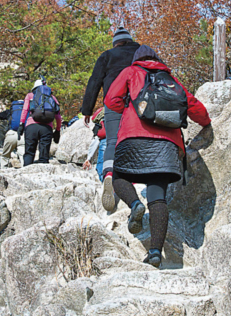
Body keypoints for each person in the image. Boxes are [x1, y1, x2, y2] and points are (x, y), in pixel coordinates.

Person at [104, 45, 211, 268]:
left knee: (119, 177)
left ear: (137, 59)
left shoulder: (131, 72)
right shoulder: (169, 78)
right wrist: (206, 122)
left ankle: (134, 205)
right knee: (157, 196)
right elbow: (191, 104)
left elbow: (111, 100)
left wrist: (129, 104)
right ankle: (155, 253)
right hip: (167, 144)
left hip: (134, 137)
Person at [82, 26, 140, 211]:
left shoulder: (107, 55)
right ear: (130, 40)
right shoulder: (141, 52)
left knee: (113, 140)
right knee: (134, 141)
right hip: (138, 103)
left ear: (115, 43)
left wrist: (87, 110)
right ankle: (130, 183)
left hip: (113, 103)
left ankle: (108, 175)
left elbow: (94, 82)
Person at [18, 79, 62, 166]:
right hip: (47, 128)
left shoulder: (30, 95)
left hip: (31, 126)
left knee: (29, 152)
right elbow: (58, 116)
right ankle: (43, 176)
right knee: (44, 155)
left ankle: (27, 174)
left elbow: (25, 110)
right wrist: (57, 130)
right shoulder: (52, 97)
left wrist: (21, 124)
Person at [0, 103, 26, 168]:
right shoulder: (27, 111)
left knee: (5, 155)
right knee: (23, 155)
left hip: (11, 134)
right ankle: (24, 170)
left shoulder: (10, 111)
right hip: (23, 134)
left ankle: (3, 169)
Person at [82, 107, 107, 181]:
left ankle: (105, 183)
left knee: (102, 167)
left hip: (105, 141)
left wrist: (89, 158)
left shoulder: (103, 116)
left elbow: (96, 140)